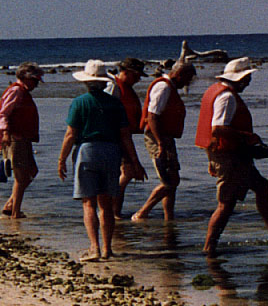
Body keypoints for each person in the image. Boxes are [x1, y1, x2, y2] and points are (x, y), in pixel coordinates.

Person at [193, 57, 268, 256]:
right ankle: (209, 248)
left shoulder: (216, 90)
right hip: (229, 157)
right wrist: (249, 137)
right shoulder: (227, 97)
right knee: (226, 203)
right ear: (241, 78)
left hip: (230, 154)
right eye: (248, 78)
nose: (249, 82)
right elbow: (218, 129)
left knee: (261, 187)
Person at [57, 59, 145, 261]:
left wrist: (62, 159)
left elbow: (71, 134)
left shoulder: (79, 102)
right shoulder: (116, 104)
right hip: (111, 152)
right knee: (105, 203)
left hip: (87, 151)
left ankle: (94, 248)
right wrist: (135, 161)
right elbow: (125, 135)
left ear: (87, 82)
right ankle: (107, 248)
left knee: (88, 203)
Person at [131, 59, 196, 223]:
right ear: (179, 74)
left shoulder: (169, 87)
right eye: (188, 78)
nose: (189, 83)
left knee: (172, 179)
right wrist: (160, 143)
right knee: (169, 181)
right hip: (157, 138)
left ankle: (169, 219)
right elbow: (152, 116)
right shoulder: (163, 87)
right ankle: (141, 213)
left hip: (165, 137)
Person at [0, 62, 43, 218]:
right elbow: (3, 114)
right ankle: (15, 213)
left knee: (32, 171)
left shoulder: (23, 92)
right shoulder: (16, 91)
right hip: (15, 138)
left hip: (24, 138)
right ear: (25, 78)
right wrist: (6, 132)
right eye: (35, 80)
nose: (36, 84)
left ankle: (10, 204)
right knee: (21, 177)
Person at [111, 57, 147, 214]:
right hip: (116, 137)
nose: (138, 79)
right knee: (128, 172)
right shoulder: (113, 88)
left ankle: (115, 212)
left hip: (123, 136)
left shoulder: (125, 87)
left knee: (126, 173)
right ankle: (112, 212)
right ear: (125, 72)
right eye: (136, 75)